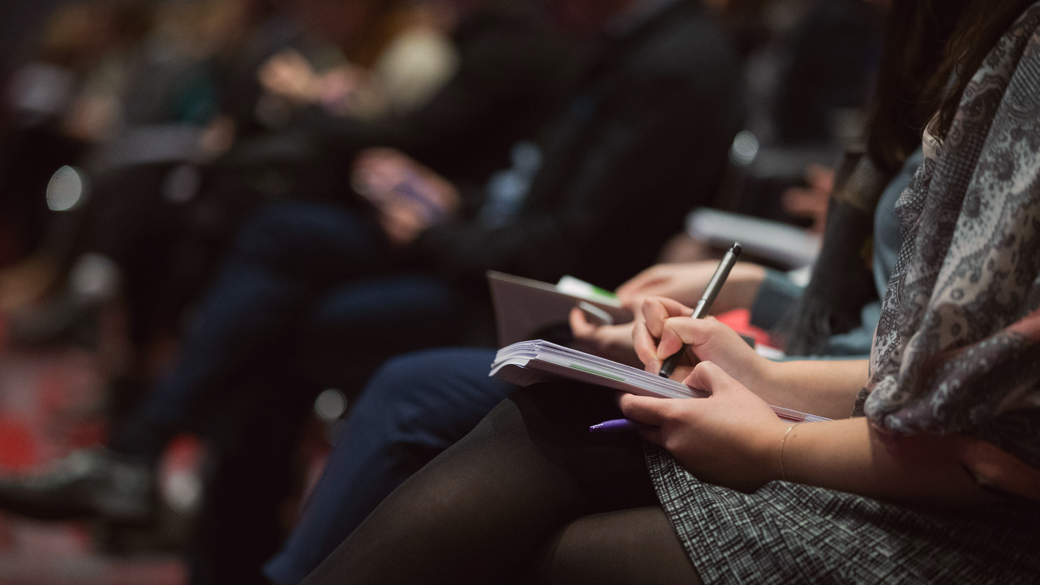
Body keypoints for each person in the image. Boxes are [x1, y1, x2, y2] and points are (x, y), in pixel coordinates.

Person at [0, 0, 743, 583]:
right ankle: (169, 491)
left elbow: (568, 245)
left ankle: (173, 493)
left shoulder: (665, 60)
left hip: (547, 300)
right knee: (274, 239)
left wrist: (432, 230)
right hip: (488, 255)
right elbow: (526, 191)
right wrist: (449, 201)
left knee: (288, 324)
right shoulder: (609, 39)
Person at [299, 0, 1040, 582]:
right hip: (871, 416)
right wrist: (760, 365)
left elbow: (982, 434)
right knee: (504, 404)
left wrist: (778, 435)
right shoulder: (973, 50)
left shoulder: (1009, 55)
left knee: (523, 492)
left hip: (966, 524)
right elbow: (918, 366)